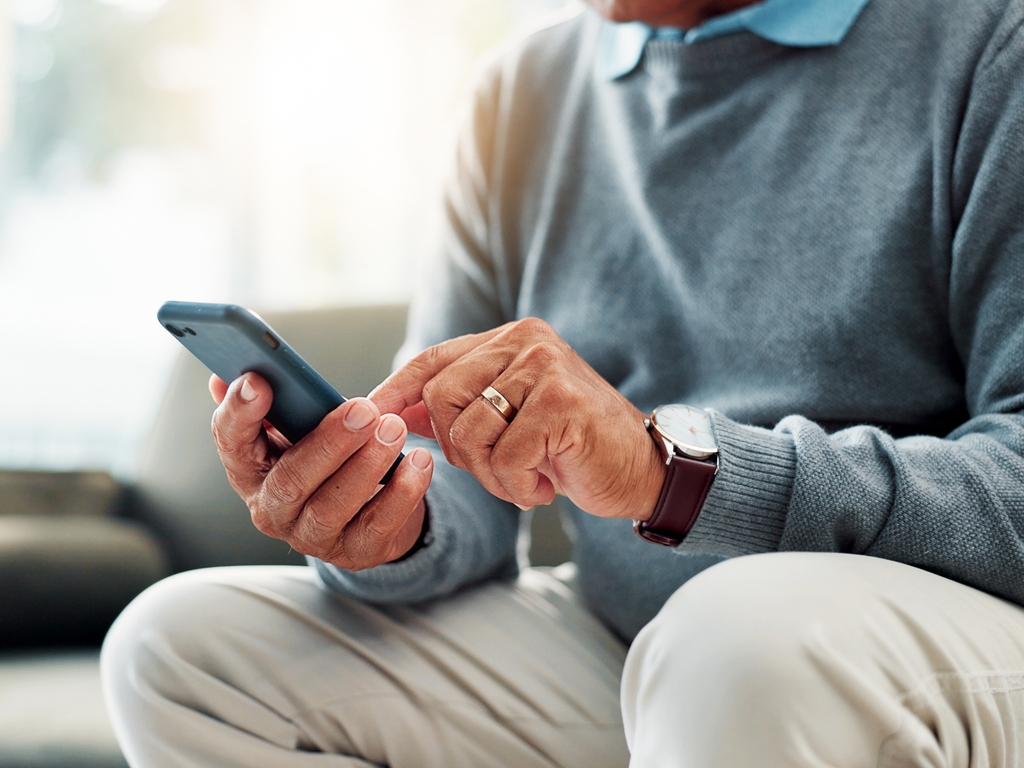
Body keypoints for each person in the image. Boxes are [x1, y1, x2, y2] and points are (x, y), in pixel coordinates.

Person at [101, 0, 1024, 764]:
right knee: (180, 650)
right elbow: (453, 466)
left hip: (924, 644)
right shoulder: (521, 91)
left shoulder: (991, 45)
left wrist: (673, 470)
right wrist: (388, 518)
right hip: (640, 645)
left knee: (733, 642)